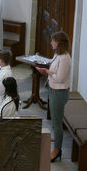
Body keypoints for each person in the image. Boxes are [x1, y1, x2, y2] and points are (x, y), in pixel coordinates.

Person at [36, 31, 71, 162]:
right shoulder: (58, 54)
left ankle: (57, 150)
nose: (51, 43)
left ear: (60, 44)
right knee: (54, 121)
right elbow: (51, 62)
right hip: (53, 89)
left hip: (59, 92)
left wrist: (47, 72)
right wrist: (44, 66)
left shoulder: (65, 58)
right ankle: (56, 146)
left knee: (57, 123)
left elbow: (60, 78)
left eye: (54, 41)